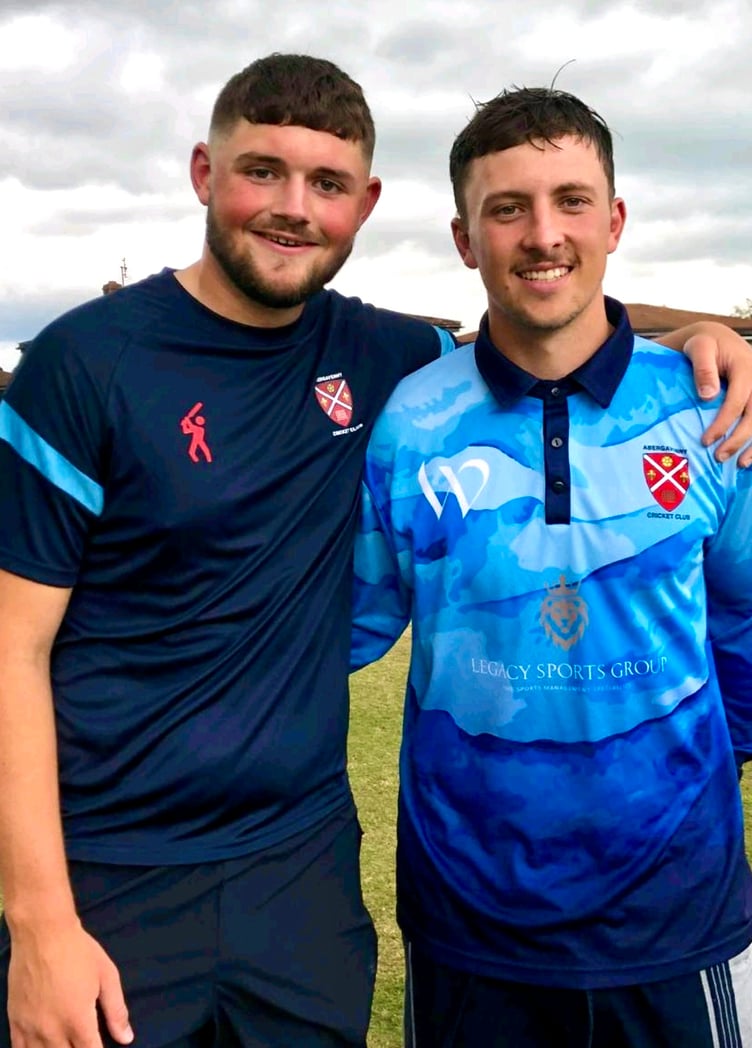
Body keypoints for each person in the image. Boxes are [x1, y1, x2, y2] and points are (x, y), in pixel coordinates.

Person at [0, 54, 749, 1048]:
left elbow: (547, 320)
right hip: (183, 882)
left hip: (411, 892)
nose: (291, 207)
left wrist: (712, 332)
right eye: (260, 170)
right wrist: (40, 918)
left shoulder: (668, 407)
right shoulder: (103, 365)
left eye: (326, 183)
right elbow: (18, 646)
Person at [351, 87, 752, 1047]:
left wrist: (680, 785)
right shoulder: (412, 419)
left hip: (676, 917)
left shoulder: (708, 407)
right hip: (467, 919)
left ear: (613, 221)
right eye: (507, 207)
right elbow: (341, 630)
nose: (543, 235)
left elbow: (744, 621)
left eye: (572, 201)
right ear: (464, 237)